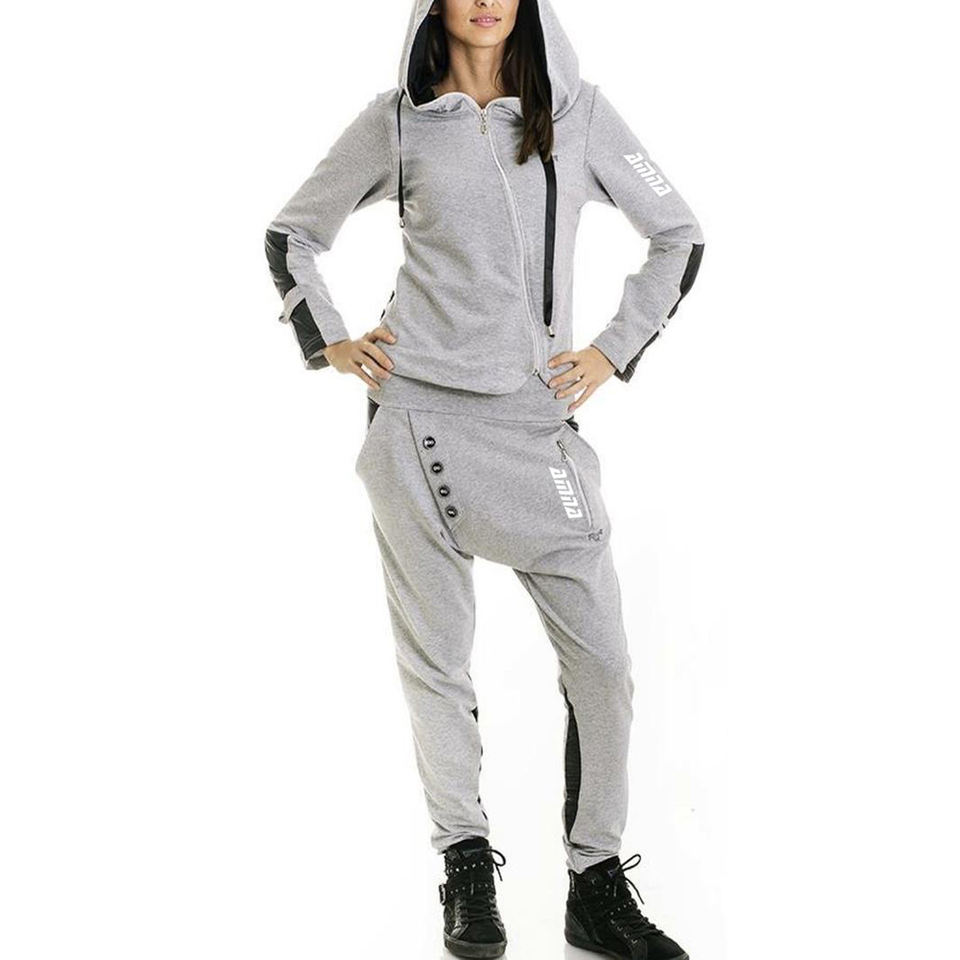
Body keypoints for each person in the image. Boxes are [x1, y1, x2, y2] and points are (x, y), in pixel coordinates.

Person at [263, 1, 704, 957]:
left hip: (533, 429)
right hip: (413, 424)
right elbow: (291, 235)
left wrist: (611, 350)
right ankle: (465, 868)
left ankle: (595, 885)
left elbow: (680, 235)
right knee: (437, 664)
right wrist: (330, 341)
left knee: (604, 668)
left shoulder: (579, 115)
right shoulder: (395, 122)